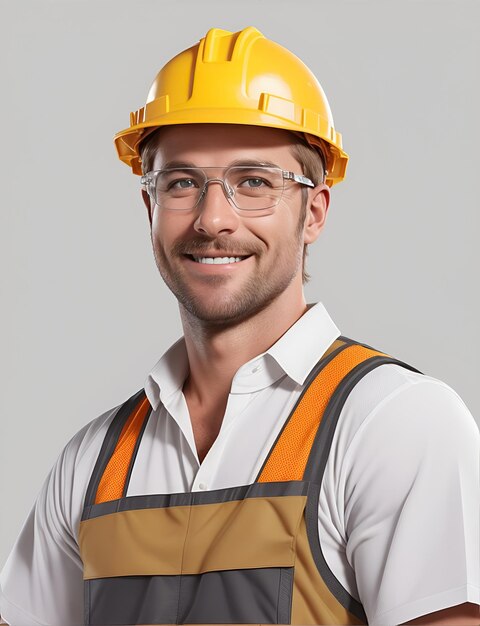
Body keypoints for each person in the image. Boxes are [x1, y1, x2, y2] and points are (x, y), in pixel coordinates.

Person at [0, 25, 478, 626]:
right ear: (150, 209)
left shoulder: (394, 425)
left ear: (314, 213)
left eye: (253, 182)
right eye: (181, 183)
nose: (213, 218)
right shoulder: (92, 463)